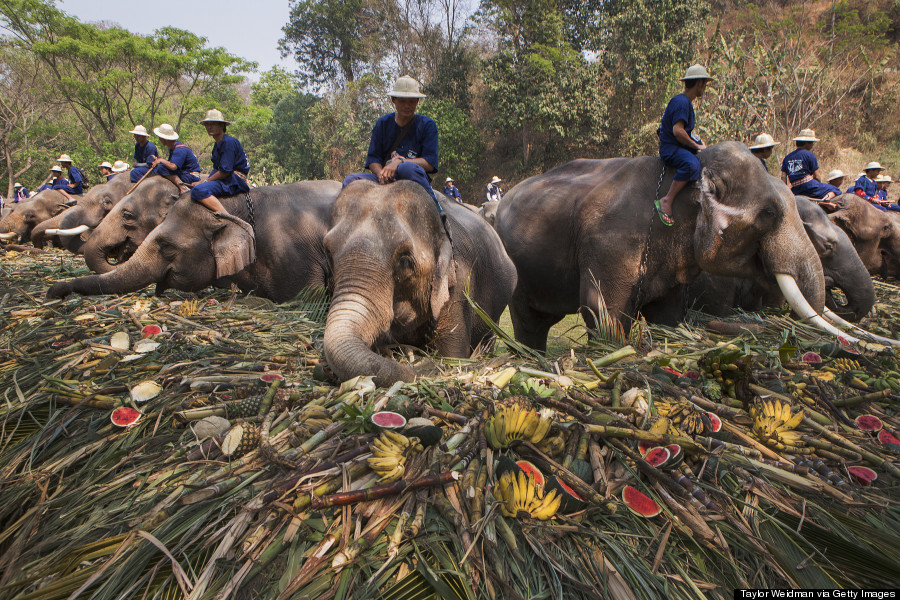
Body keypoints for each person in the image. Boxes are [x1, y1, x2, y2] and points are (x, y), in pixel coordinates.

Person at [342, 76, 439, 204]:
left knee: (406, 168)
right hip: (384, 177)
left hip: (412, 176)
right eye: (402, 101)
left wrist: (400, 162)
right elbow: (373, 160)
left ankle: (435, 206)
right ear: (393, 100)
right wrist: (382, 174)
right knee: (350, 180)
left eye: (411, 102)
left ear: (417, 101)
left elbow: (430, 162)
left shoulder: (427, 125)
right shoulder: (382, 123)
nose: (407, 106)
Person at [657, 64, 714, 226]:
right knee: (692, 165)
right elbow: (678, 131)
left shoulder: (685, 102)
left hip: (678, 146)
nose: (704, 88)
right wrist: (696, 147)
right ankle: (667, 200)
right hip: (671, 148)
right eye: (705, 84)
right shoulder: (681, 102)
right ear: (699, 83)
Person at [190, 109, 249, 215]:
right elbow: (216, 168)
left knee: (197, 191)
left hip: (233, 181)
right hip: (227, 179)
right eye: (207, 124)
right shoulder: (218, 144)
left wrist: (205, 182)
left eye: (213, 124)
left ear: (222, 126)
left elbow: (225, 171)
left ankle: (225, 215)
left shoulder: (228, 143)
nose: (209, 127)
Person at [780, 129, 841, 201]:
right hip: (810, 187)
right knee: (836, 189)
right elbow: (817, 176)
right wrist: (817, 186)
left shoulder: (787, 158)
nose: (813, 145)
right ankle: (825, 201)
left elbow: (783, 177)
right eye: (812, 142)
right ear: (807, 143)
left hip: (796, 190)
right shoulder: (809, 155)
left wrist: (786, 192)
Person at [148, 123, 201, 192]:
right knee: (158, 168)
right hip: (183, 173)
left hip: (191, 176)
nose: (159, 139)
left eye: (160, 137)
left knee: (161, 168)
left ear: (164, 139)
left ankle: (182, 187)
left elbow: (173, 166)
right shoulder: (173, 148)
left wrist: (161, 160)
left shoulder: (180, 149)